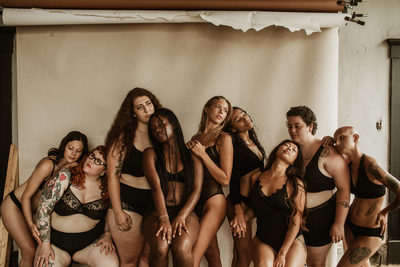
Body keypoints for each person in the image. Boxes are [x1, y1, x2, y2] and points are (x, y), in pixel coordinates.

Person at [0, 131, 88, 267]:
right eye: (70, 148)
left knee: (38, 251)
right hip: (15, 206)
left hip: (33, 210)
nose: (73, 153)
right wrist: (31, 224)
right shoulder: (48, 165)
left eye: (78, 151)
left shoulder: (70, 169)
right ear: (64, 146)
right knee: (29, 251)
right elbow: (26, 196)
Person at [286, 106, 351, 267]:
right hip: (295, 218)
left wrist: (339, 223)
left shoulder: (329, 153)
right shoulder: (291, 151)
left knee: (316, 264)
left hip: (321, 219)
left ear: (310, 126)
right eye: (289, 126)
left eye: (297, 126)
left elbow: (344, 189)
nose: (292, 130)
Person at [105, 87, 162, 267]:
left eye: (148, 104)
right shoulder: (123, 139)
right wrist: (118, 212)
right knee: (129, 261)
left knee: (147, 260)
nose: (146, 110)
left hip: (154, 205)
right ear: (133, 113)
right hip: (127, 203)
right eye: (140, 107)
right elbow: (112, 177)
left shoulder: (162, 136)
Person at [35, 146, 119, 267]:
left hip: (89, 245)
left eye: (98, 161)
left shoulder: (109, 188)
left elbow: (112, 213)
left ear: (105, 170)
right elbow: (43, 209)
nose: (92, 160)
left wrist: (108, 234)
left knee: (111, 264)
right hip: (55, 244)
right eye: (92, 156)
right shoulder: (66, 176)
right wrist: (45, 244)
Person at [142, 108, 203, 267]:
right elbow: (156, 188)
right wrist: (164, 219)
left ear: (174, 124)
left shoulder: (192, 156)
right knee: (161, 247)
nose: (157, 130)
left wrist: (182, 216)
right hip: (157, 211)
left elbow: (197, 189)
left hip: (186, 212)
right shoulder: (151, 154)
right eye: (153, 128)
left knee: (181, 249)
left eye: (161, 124)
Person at [332, 126, 400, 267]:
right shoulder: (347, 165)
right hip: (350, 226)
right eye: (335, 140)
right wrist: (326, 141)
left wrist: (385, 212)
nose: (337, 143)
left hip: (370, 231)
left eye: (342, 137)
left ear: (355, 138)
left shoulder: (370, 165)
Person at [235, 140, 307, 267]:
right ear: (276, 150)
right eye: (286, 145)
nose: (289, 148)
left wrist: (282, 253)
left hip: (291, 241)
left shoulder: (296, 184)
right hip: (263, 239)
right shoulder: (255, 177)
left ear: (294, 161)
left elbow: (297, 219)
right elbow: (256, 207)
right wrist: (242, 219)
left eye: (294, 149)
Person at [187, 95, 233, 267]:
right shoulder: (195, 138)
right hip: (195, 201)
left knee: (192, 258)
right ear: (207, 108)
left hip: (214, 200)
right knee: (212, 256)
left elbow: (225, 179)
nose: (222, 112)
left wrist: (202, 153)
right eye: (218, 107)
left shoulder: (223, 138)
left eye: (226, 110)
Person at [223, 107, 266, 267]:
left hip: (250, 203)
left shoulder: (253, 141)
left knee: (239, 253)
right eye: (238, 119)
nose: (245, 118)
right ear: (233, 128)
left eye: (244, 114)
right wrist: (238, 209)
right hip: (238, 202)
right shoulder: (235, 146)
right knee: (245, 254)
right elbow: (233, 179)